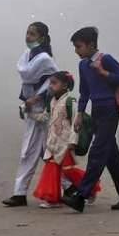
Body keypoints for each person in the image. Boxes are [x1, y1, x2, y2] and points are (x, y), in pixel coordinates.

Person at [61, 27, 119, 212]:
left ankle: (81, 195)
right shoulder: (83, 65)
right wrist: (79, 113)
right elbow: (84, 91)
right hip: (96, 110)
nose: (76, 51)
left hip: (110, 109)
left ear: (91, 45)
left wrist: (103, 72)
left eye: (79, 46)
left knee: (97, 152)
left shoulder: (106, 59)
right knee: (111, 157)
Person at [2, 22, 59, 207]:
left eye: (32, 34)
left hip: (41, 111)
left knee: (31, 152)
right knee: (47, 153)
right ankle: (74, 186)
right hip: (31, 110)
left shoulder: (44, 59)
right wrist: (26, 102)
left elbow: (55, 80)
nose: (28, 37)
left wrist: (37, 98)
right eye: (27, 33)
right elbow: (26, 80)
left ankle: (20, 193)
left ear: (41, 38)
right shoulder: (27, 55)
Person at [31, 71, 101, 208]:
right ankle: (52, 199)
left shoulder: (70, 102)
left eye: (54, 83)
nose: (50, 86)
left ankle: (90, 189)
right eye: (50, 83)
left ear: (65, 86)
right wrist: (30, 113)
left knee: (68, 170)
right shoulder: (52, 101)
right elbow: (46, 118)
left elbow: (76, 123)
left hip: (65, 144)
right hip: (53, 144)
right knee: (52, 169)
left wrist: (72, 142)